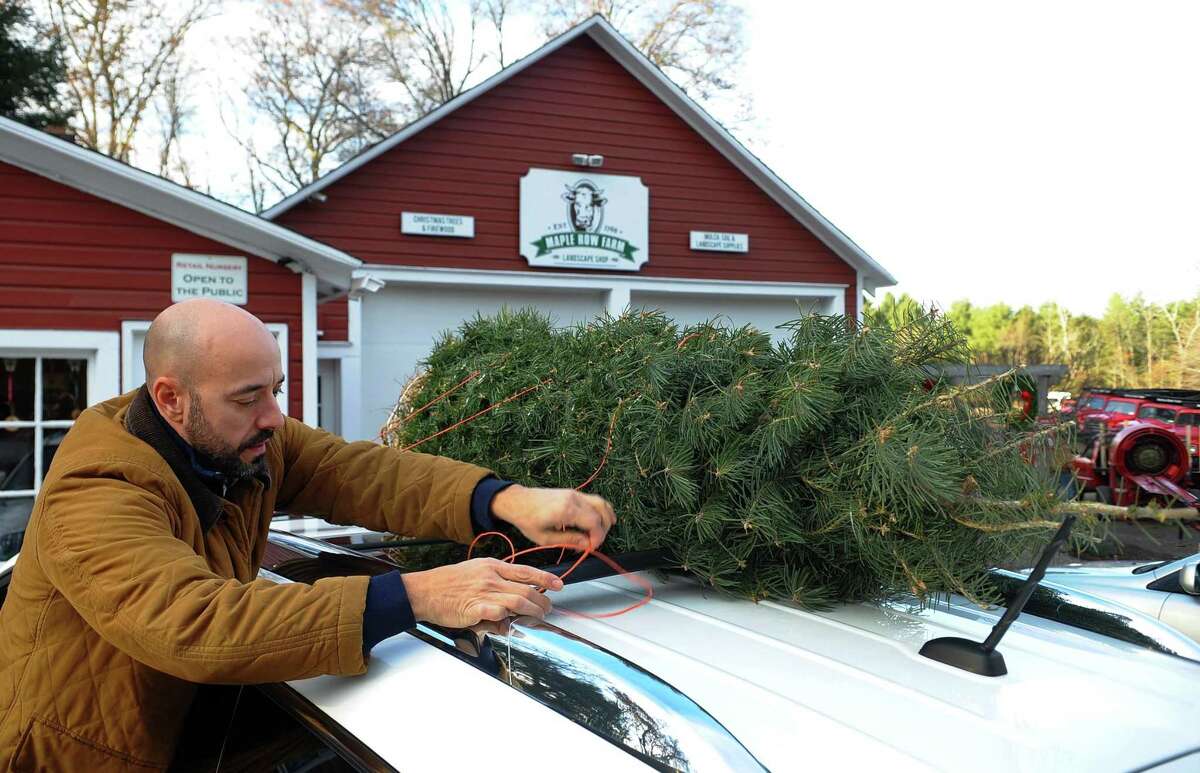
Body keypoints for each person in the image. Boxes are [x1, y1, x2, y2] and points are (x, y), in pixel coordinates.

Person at [0, 299, 615, 771]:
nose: (273, 416)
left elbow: (358, 472)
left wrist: (502, 501)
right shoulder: (100, 487)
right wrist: (418, 596)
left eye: (277, 390)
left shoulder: (239, 438)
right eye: (248, 398)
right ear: (170, 399)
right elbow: (193, 623)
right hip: (73, 755)